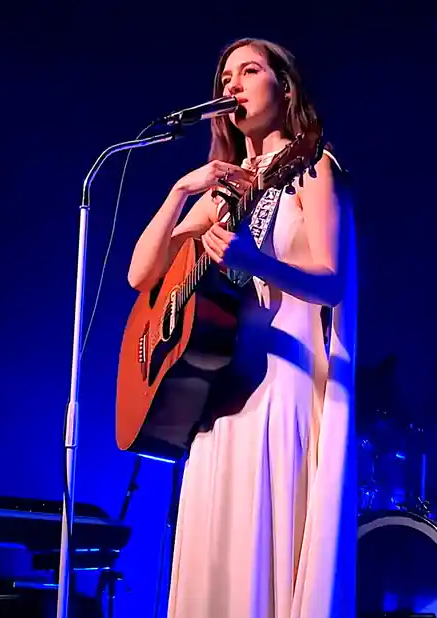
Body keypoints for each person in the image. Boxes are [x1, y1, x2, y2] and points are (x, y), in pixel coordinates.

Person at [126, 38, 357, 618]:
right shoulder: (224, 193)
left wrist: (257, 262)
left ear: (285, 87)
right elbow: (140, 274)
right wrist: (183, 190)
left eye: (249, 71)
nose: (231, 85)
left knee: (265, 541)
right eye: (225, 76)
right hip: (222, 395)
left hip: (283, 382)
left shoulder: (313, 168)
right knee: (216, 553)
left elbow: (331, 282)